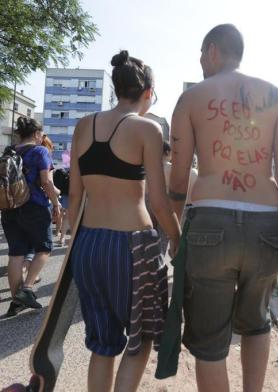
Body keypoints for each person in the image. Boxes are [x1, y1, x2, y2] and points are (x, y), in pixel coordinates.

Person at [168, 24, 278, 392]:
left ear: (211, 51)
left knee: (209, 342)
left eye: (200, 55)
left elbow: (178, 183)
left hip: (210, 222)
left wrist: (176, 236)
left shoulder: (192, 98)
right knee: (257, 322)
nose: (200, 63)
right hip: (266, 228)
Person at [69, 50, 180, 392]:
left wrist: (77, 247)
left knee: (102, 344)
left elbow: (75, 198)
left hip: (88, 244)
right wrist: (177, 237)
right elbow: (159, 202)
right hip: (132, 246)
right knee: (140, 339)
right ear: (148, 92)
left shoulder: (84, 126)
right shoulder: (148, 129)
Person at [1, 117, 61, 317]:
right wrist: (55, 203)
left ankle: (16, 301)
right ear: (36, 134)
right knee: (44, 248)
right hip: (35, 207)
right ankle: (26, 289)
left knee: (16, 254)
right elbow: (46, 182)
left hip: (9, 208)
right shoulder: (40, 151)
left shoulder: (9, 152)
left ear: (19, 134)